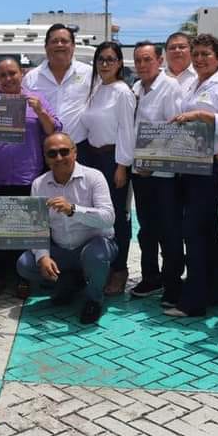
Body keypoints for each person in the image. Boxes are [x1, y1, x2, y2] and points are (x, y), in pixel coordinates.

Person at [166, 34, 218, 318]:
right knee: (208, 232)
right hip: (189, 164)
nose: (199, 59)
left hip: (210, 167)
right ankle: (211, 291)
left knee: (195, 232)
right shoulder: (191, 83)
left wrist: (203, 115)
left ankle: (193, 301)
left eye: (205, 55)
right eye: (196, 54)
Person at [0, 57, 60, 297]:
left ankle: (24, 277)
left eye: (12, 73)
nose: (8, 79)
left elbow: (54, 129)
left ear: (22, 73)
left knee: (26, 230)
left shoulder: (38, 99)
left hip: (28, 175)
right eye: (2, 75)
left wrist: (39, 110)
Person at [16, 133, 118, 325]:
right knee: (26, 264)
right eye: (52, 154)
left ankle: (94, 299)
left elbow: (108, 218)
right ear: (45, 158)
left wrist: (73, 210)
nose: (59, 158)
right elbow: (36, 228)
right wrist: (43, 256)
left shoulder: (94, 177)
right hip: (63, 249)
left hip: (94, 245)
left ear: (75, 152)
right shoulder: (39, 184)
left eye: (64, 152)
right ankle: (70, 281)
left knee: (95, 256)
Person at [70, 41, 135, 295]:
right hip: (91, 158)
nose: (105, 64)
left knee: (118, 216)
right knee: (96, 215)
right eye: (101, 60)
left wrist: (122, 167)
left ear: (120, 63)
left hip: (113, 160)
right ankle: (100, 266)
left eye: (110, 59)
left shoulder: (123, 92)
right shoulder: (97, 89)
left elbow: (127, 132)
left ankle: (119, 271)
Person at [126, 41, 183, 301]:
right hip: (140, 172)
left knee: (168, 230)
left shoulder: (170, 87)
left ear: (159, 61)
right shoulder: (136, 87)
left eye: (147, 59)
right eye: (138, 60)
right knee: (146, 229)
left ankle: (173, 284)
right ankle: (151, 278)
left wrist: (155, 164)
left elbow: (175, 130)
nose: (142, 65)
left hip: (163, 176)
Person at [21, 23, 92, 136]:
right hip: (44, 146)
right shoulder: (31, 78)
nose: (59, 45)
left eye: (64, 41)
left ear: (73, 46)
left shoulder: (89, 73)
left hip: (80, 146)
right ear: (46, 47)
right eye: (54, 41)